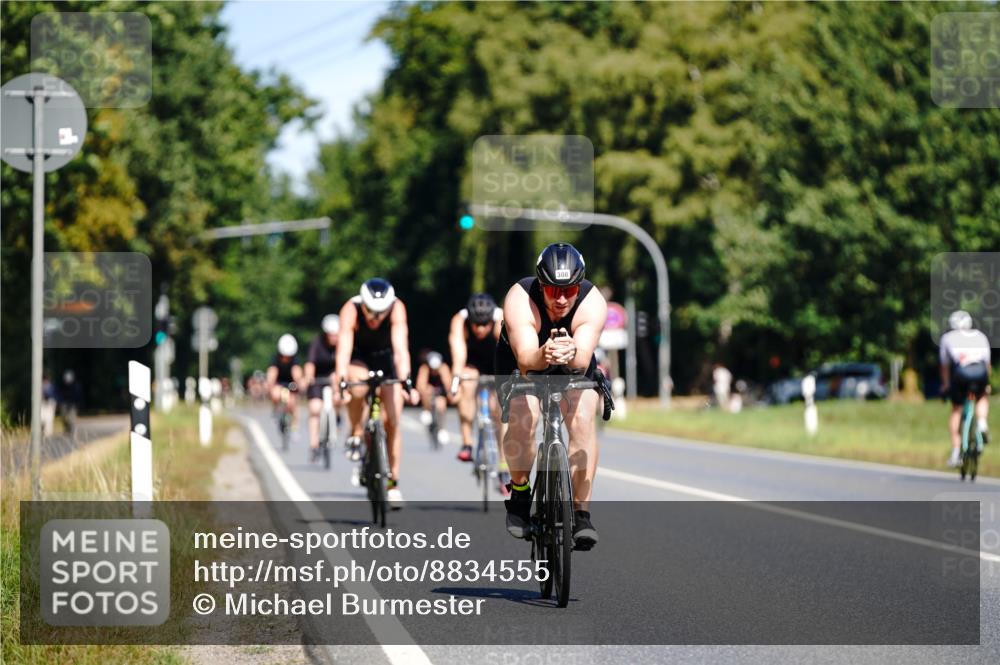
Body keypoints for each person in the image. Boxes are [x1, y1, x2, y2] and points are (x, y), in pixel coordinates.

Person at [495, 242, 607, 550]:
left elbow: (582, 360)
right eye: (552, 290)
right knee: (523, 415)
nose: (560, 299)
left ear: (579, 286)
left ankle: (581, 513)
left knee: (583, 418)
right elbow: (526, 360)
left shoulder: (592, 301)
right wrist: (545, 353)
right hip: (525, 359)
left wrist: (571, 354)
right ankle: (519, 493)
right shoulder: (520, 297)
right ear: (540, 285)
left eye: (569, 290)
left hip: (572, 360)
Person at [335, 278, 420, 508]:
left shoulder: (397, 308)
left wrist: (407, 381)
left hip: (386, 357)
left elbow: (401, 349)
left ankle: (392, 483)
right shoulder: (350, 309)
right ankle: (355, 431)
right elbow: (343, 348)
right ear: (363, 304)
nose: (375, 318)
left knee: (392, 421)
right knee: (358, 386)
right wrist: (341, 382)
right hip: (359, 357)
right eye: (370, 311)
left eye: (380, 312)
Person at [449, 293, 504, 464]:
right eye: (476, 324)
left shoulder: (500, 318)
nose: (480, 329)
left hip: (496, 362)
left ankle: (503, 463)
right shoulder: (460, 320)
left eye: (484, 324)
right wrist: (455, 383)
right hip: (472, 363)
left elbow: (509, 354)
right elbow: (459, 355)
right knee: (466, 382)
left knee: (500, 409)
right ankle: (467, 444)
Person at [940, 310, 991, 467]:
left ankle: (956, 452)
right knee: (982, 396)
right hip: (980, 371)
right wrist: (987, 384)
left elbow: (945, 366)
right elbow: (987, 364)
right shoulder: (980, 336)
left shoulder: (947, 338)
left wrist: (946, 385)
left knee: (956, 409)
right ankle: (982, 422)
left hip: (962, 373)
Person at [303, 314, 341, 462]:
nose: (334, 338)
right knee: (315, 409)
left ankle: (336, 418)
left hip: (334, 379)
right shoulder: (317, 343)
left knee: (340, 398)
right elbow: (310, 362)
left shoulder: (343, 343)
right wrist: (309, 376)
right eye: (331, 335)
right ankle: (314, 445)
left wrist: (337, 375)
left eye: (336, 335)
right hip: (318, 380)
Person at [415, 351, 452, 445]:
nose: (434, 371)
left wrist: (444, 379)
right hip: (429, 392)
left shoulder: (444, 368)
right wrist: (427, 390)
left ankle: (442, 428)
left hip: (440, 392)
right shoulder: (425, 369)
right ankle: (427, 410)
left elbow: (448, 385)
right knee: (426, 392)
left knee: (441, 404)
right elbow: (420, 386)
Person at [267, 334, 302, 426]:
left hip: (291, 384)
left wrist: (298, 382)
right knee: (275, 394)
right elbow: (272, 373)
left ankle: (294, 425)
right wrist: (271, 384)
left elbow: (297, 373)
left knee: (292, 403)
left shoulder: (295, 360)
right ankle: (276, 410)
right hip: (279, 383)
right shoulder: (275, 359)